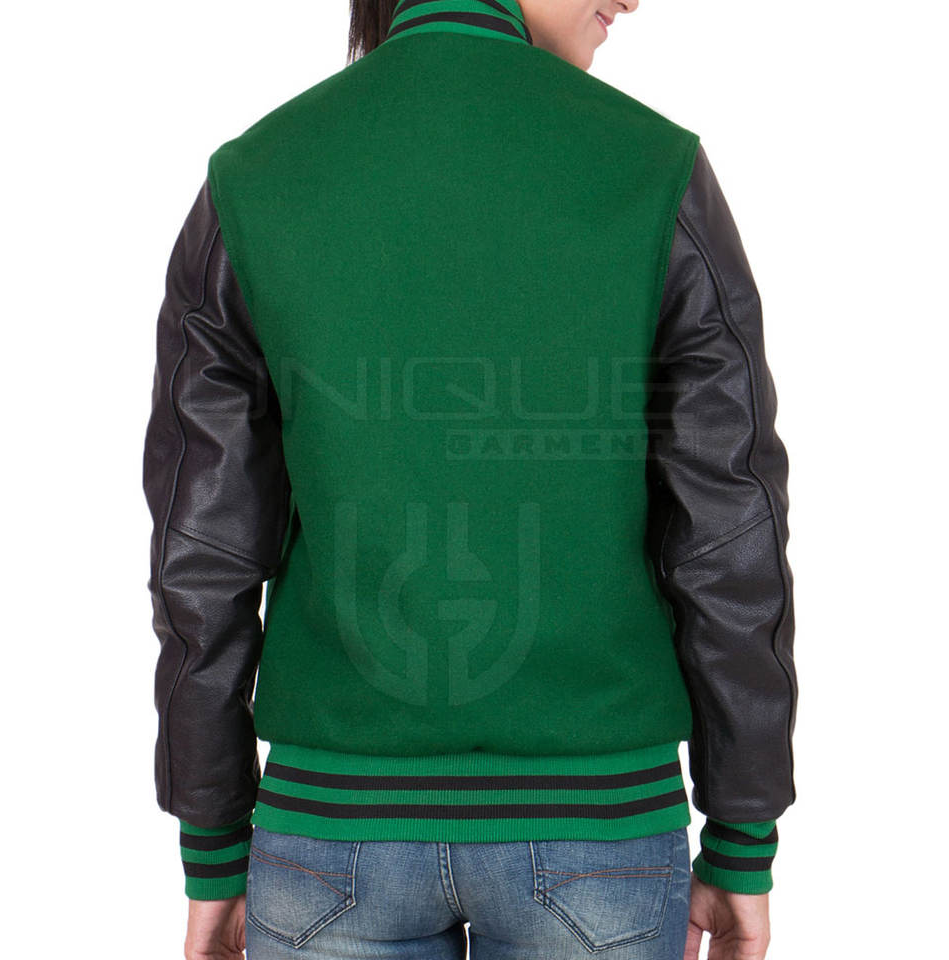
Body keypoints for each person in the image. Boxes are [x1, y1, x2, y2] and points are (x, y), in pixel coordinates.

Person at [142, 1, 798, 958]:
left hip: (330, 831)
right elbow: (729, 531)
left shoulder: (256, 176)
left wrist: (211, 837)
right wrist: (742, 831)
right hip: (599, 833)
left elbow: (201, 554)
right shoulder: (654, 167)